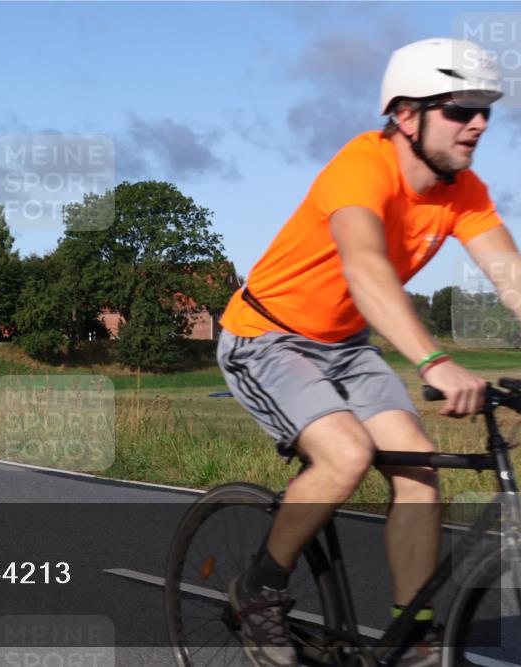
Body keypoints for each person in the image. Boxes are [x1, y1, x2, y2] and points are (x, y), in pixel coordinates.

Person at [217, 37, 520, 667]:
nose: (479, 124)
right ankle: (259, 589)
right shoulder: (361, 167)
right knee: (347, 453)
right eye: (460, 110)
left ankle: (411, 636)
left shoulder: (463, 190)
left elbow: (511, 276)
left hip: (346, 345)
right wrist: (434, 361)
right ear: (406, 115)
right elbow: (364, 269)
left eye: (484, 110)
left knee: (420, 472)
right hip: (266, 335)